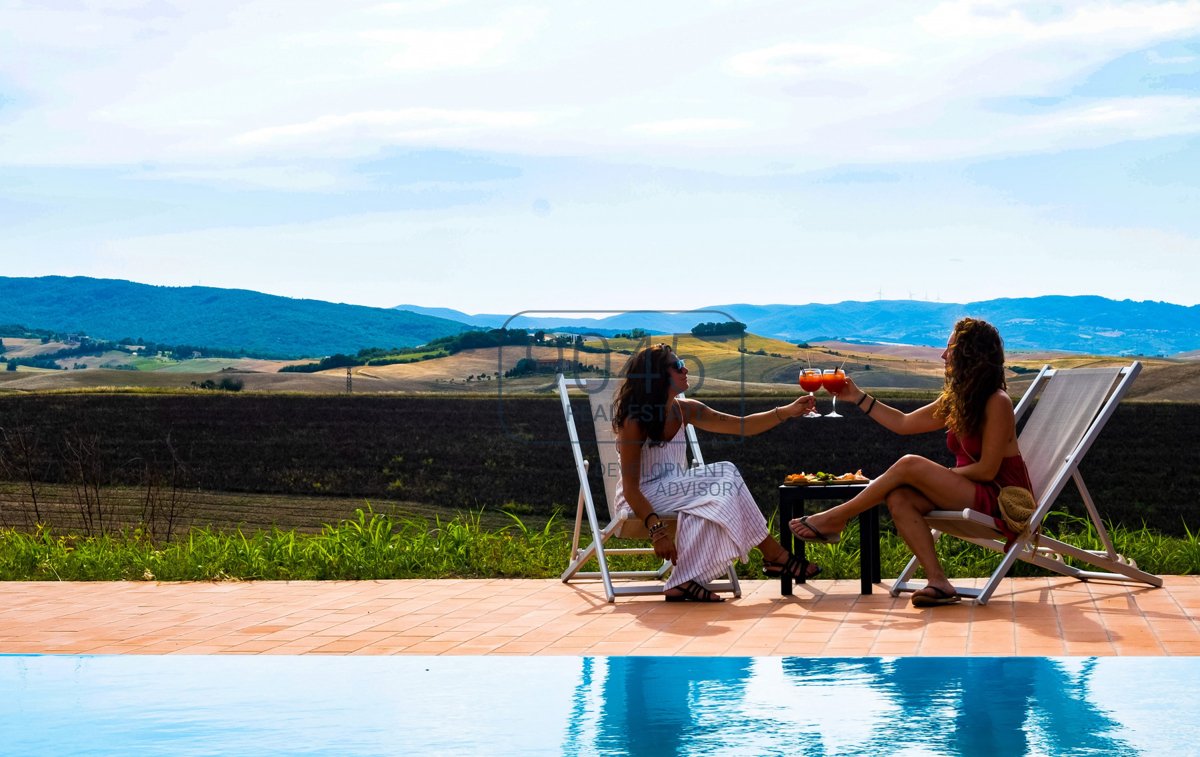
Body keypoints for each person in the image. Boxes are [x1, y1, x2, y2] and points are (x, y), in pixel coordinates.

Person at [788, 317, 1034, 607]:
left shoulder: (997, 401)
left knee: (910, 465)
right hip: (970, 492)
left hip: (999, 499)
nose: (943, 355)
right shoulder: (959, 400)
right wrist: (857, 397)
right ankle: (939, 582)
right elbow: (904, 423)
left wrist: (936, 475)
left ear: (971, 353)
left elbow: (987, 470)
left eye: (950, 348)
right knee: (900, 496)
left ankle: (837, 517)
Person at [612, 343, 818, 602]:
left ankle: (684, 581)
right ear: (657, 376)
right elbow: (631, 488)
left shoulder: (684, 409)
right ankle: (775, 555)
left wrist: (787, 412)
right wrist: (657, 531)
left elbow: (741, 426)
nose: (685, 369)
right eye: (677, 366)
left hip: (677, 493)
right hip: (640, 500)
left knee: (714, 501)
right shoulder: (635, 420)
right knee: (726, 473)